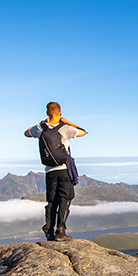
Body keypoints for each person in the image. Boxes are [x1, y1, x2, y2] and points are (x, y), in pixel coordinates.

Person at [24, 102, 87, 241]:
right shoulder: (65, 128)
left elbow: (26, 133)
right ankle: (60, 231)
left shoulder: (40, 128)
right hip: (64, 170)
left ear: (47, 113)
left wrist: (41, 124)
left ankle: (49, 231)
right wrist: (67, 121)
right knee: (65, 199)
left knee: (52, 202)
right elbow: (83, 132)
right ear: (60, 112)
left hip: (50, 171)